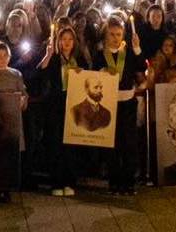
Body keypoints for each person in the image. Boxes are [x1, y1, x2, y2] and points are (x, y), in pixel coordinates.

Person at [92, 18, 144, 195]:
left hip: (127, 102)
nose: (115, 38)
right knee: (111, 144)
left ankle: (129, 182)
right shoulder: (100, 54)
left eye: (118, 34)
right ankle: (114, 181)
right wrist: (101, 72)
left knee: (129, 143)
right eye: (112, 35)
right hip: (108, 104)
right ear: (106, 35)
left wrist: (137, 48)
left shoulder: (127, 53)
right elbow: (93, 75)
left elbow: (140, 67)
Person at [38, 25, 88, 196]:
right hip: (56, 104)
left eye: (70, 39)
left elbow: (88, 78)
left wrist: (82, 74)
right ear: (58, 41)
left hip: (74, 104)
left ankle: (70, 181)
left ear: (74, 42)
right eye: (63, 39)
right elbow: (40, 73)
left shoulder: (78, 59)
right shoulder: (54, 59)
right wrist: (48, 54)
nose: (67, 43)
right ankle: (56, 182)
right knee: (55, 143)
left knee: (71, 144)